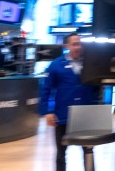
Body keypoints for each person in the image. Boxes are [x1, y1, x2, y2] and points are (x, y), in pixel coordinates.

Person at [39, 33, 99, 171]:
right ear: (67, 46)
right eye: (74, 44)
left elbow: (97, 88)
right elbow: (46, 89)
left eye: (79, 43)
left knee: (88, 151)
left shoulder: (90, 64)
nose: (78, 47)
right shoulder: (56, 65)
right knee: (61, 154)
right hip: (63, 115)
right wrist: (47, 112)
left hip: (85, 116)